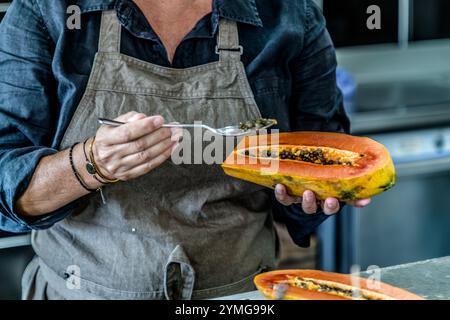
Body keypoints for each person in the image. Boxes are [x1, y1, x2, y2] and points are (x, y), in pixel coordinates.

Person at [0, 0, 370, 300]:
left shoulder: (291, 16)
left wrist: (305, 199)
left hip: (239, 300)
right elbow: (7, 182)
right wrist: (90, 164)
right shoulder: (45, 11)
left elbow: (321, 154)